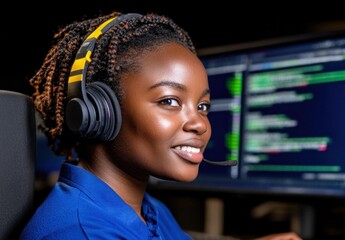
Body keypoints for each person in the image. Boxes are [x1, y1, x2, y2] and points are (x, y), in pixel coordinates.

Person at [19, 11, 302, 240]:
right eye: (170, 101)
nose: (200, 124)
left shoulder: (150, 211)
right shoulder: (80, 232)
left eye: (203, 107)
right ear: (99, 112)